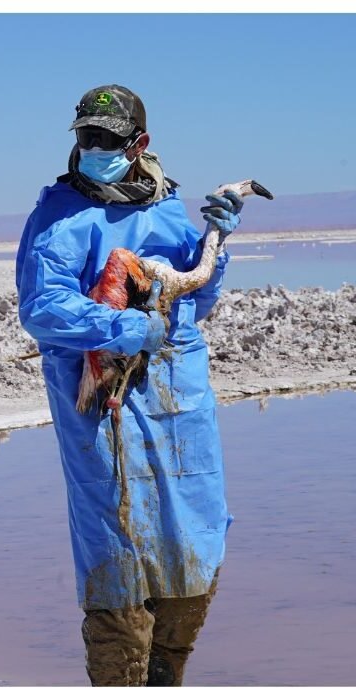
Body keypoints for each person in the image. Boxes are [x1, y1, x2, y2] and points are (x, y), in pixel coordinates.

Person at [16, 85, 245, 686]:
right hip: (100, 406)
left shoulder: (168, 206)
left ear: (138, 144)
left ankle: (168, 677)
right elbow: (43, 307)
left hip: (179, 400)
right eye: (85, 137)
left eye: (106, 140)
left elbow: (199, 297)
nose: (92, 148)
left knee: (193, 536)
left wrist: (215, 249)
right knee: (114, 543)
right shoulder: (57, 215)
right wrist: (123, 326)